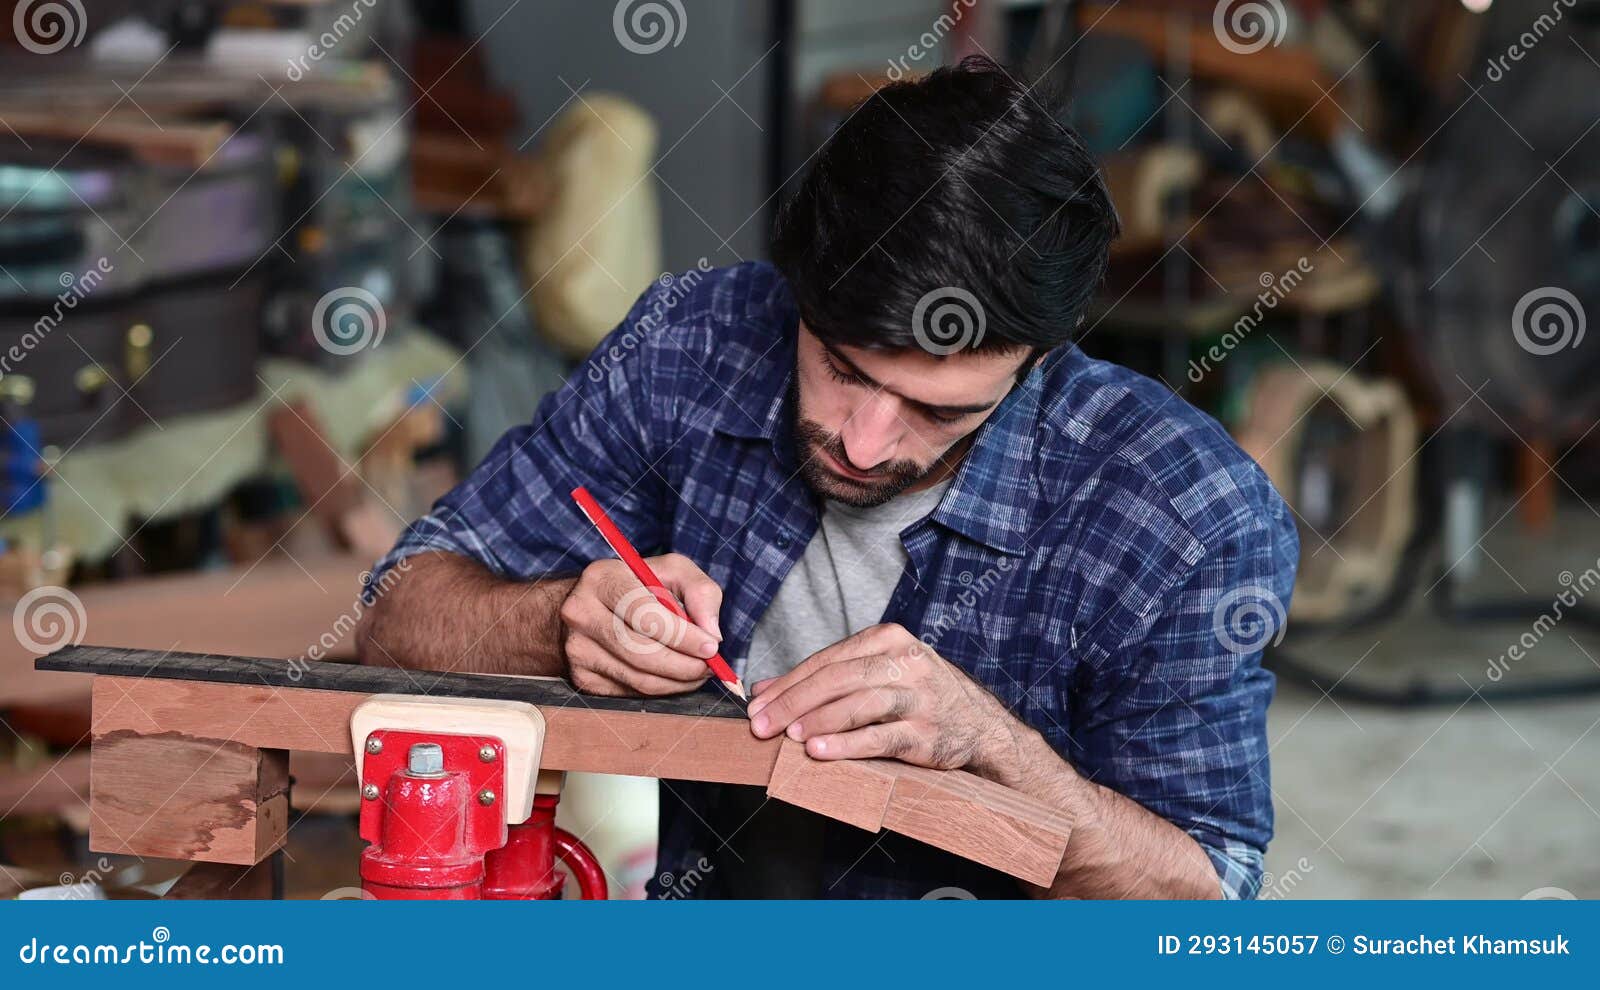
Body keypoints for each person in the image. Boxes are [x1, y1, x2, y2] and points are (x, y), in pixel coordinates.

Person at [357, 56, 1298, 899]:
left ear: (1037, 359)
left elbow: (1208, 900)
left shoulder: (1186, 512)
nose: (862, 441)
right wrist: (556, 620)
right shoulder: (691, 344)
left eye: (938, 411)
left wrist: (997, 753)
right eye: (843, 368)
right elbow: (395, 616)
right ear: (797, 290)